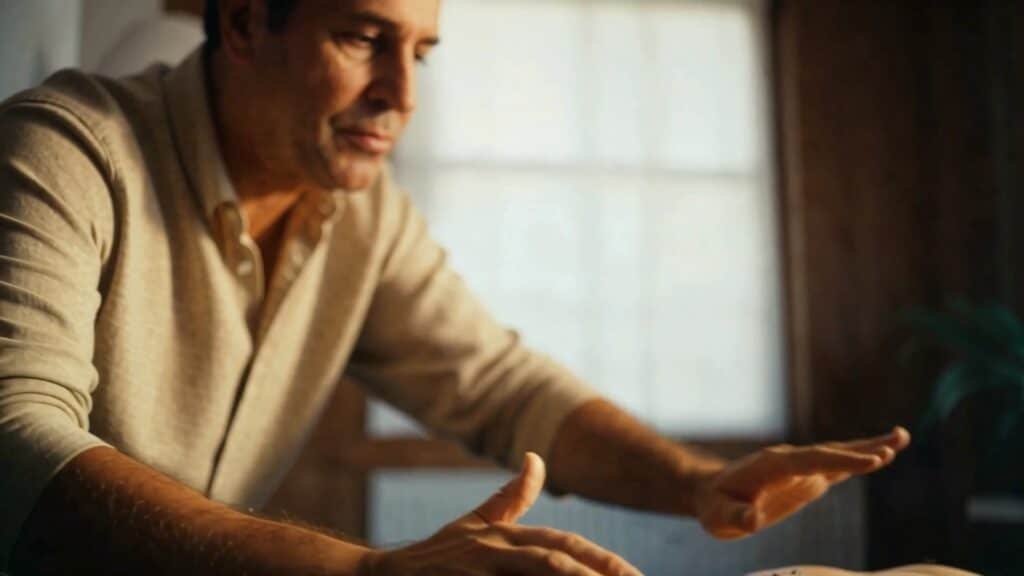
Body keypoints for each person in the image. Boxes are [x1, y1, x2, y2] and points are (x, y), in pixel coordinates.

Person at [0, 0, 911, 574]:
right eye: (363, 36)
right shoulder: (65, 149)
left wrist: (702, 483)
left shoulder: (364, 213)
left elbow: (498, 385)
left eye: (422, 53)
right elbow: (16, 441)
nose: (402, 93)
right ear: (243, 22)